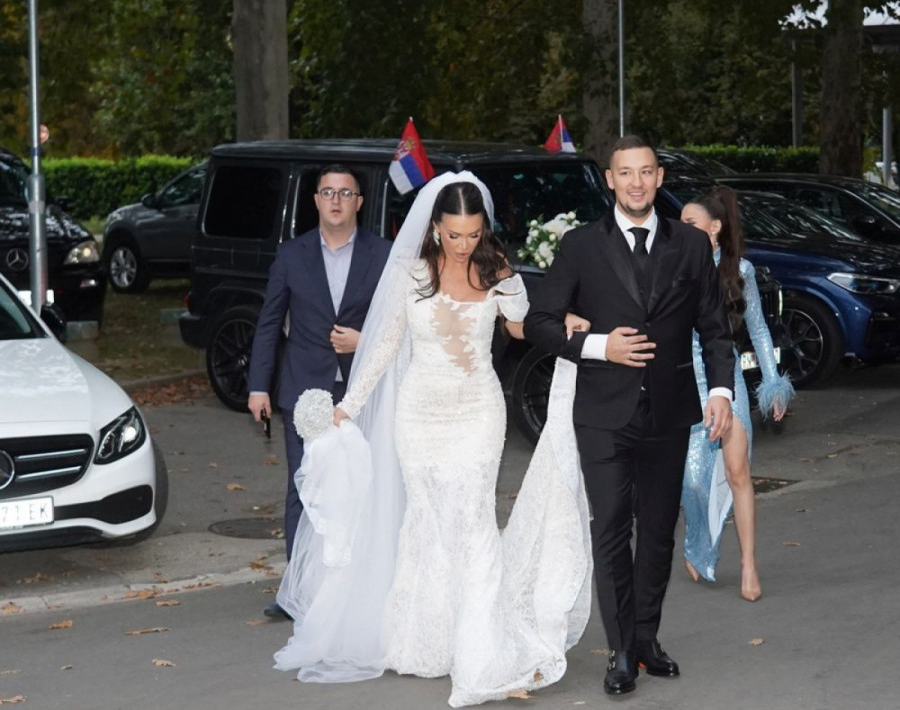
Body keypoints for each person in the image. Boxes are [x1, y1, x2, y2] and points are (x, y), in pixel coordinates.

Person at [273, 171, 594, 707]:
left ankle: (482, 653)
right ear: (435, 228)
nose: (464, 244)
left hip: (478, 410)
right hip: (419, 414)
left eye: (473, 234)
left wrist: (560, 319)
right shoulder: (410, 271)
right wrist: (349, 406)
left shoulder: (497, 270)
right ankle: (422, 643)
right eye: (454, 234)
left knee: (473, 521)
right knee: (425, 522)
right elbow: (384, 345)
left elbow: (520, 326)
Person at [524, 135, 736, 697]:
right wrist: (599, 346)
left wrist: (721, 391)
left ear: (659, 178)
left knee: (659, 532)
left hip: (670, 411)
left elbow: (714, 328)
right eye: (626, 173)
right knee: (612, 527)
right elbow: (539, 321)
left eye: (646, 172)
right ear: (610, 180)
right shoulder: (580, 246)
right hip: (602, 412)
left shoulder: (691, 245)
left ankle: (646, 638)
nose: (636, 182)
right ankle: (620, 651)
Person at [247, 163, 391, 619]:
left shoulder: (384, 255)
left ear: (359, 202)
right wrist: (258, 387)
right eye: (327, 192)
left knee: (363, 487)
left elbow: (400, 324)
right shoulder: (292, 255)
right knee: (305, 488)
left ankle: (357, 589)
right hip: (303, 390)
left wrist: (363, 341)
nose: (335, 200)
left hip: (364, 391)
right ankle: (297, 592)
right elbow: (269, 323)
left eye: (345, 193)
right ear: (315, 200)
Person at [679, 185, 794, 601]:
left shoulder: (739, 270)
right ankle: (698, 541)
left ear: (714, 228)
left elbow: (759, 330)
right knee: (693, 483)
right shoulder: (674, 268)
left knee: (738, 472)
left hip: (726, 382)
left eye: (690, 222)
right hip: (685, 384)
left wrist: (773, 383)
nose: (681, 229)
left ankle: (748, 564)